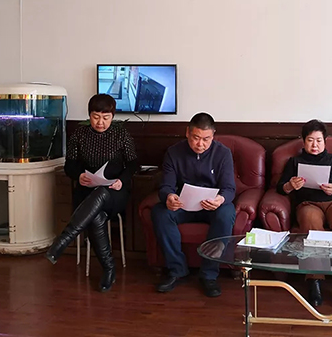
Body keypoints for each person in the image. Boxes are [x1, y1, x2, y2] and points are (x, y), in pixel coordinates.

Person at [45, 94, 139, 293]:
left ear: (112, 116)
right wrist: (79, 176)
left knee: (102, 193)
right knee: (96, 216)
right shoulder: (80, 134)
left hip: (114, 193)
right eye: (96, 117)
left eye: (106, 117)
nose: (100, 122)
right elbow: (69, 165)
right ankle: (109, 269)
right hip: (86, 192)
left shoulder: (120, 134)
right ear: (89, 115)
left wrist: (122, 180)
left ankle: (64, 239)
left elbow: (133, 164)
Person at [151, 112, 236, 298]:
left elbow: (229, 188)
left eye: (206, 139)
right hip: (184, 205)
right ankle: (177, 270)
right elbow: (166, 186)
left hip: (211, 206)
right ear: (187, 133)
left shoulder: (223, 153)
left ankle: (209, 275)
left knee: (227, 213)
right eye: (196, 138)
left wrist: (220, 200)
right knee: (160, 212)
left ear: (213, 136)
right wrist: (169, 197)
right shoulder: (174, 152)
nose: (200, 144)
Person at [277, 119, 332, 308]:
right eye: (310, 140)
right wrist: (290, 185)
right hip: (308, 203)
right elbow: (280, 188)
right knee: (310, 220)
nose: (315, 145)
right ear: (303, 141)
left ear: (325, 141)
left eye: (319, 140)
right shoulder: (295, 162)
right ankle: (315, 280)